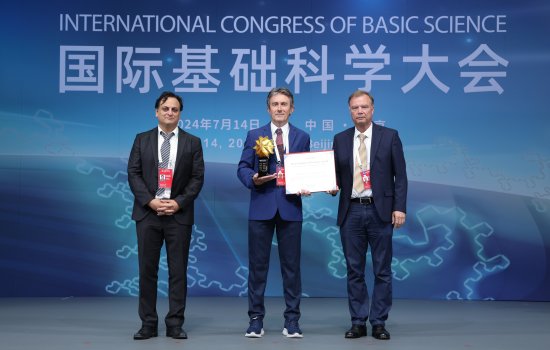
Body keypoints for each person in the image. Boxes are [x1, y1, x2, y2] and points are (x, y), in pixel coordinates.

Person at [127, 91, 204, 340]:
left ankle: (175, 323)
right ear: (156, 112)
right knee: (147, 270)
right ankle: (148, 323)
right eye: (165, 108)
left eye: (174, 109)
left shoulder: (193, 142)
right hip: (148, 214)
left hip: (177, 215)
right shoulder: (142, 139)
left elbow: (197, 178)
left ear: (180, 113)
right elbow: (133, 173)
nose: (170, 113)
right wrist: (150, 201)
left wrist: (178, 203)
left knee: (178, 270)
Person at [331, 90, 407, 340]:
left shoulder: (390, 137)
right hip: (351, 210)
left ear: (373, 110)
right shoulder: (340, 139)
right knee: (354, 270)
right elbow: (335, 177)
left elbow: (400, 177)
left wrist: (399, 207)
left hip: (380, 210)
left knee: (382, 270)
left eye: (364, 107)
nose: (360, 111)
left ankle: (378, 322)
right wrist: (330, 185)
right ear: (350, 111)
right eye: (355, 108)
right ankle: (358, 321)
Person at [237, 87, 311, 338]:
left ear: (292, 108)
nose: (280, 108)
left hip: (291, 208)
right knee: (258, 267)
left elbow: (306, 169)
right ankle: (255, 319)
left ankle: (292, 320)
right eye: (275, 104)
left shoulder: (302, 136)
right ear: (268, 108)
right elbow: (243, 167)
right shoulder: (254, 134)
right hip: (261, 207)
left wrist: (308, 184)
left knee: (292, 268)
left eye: (284, 104)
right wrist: (253, 178)